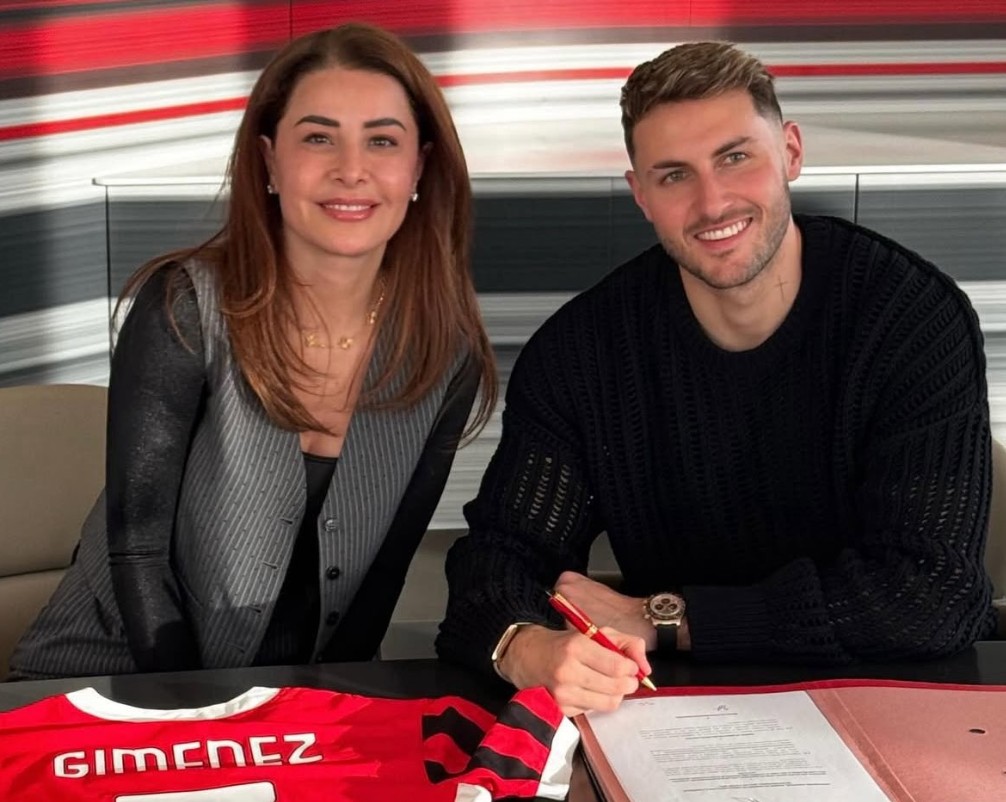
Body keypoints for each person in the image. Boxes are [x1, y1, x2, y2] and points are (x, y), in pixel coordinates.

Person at [436, 41, 996, 715]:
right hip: (671, 710)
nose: (712, 201)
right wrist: (525, 648)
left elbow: (931, 597)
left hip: (894, 702)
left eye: (736, 157)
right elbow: (500, 558)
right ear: (640, 193)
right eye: (673, 176)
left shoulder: (908, 319)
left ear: (789, 151)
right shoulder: (583, 355)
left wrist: (667, 617)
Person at [11, 22, 496, 679]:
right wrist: (207, 721)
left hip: (293, 701)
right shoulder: (184, 305)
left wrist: (329, 708)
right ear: (270, 162)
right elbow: (137, 551)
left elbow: (386, 567)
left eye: (382, 140)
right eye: (318, 137)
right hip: (116, 676)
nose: (351, 170)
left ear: (419, 167)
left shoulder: (448, 350)